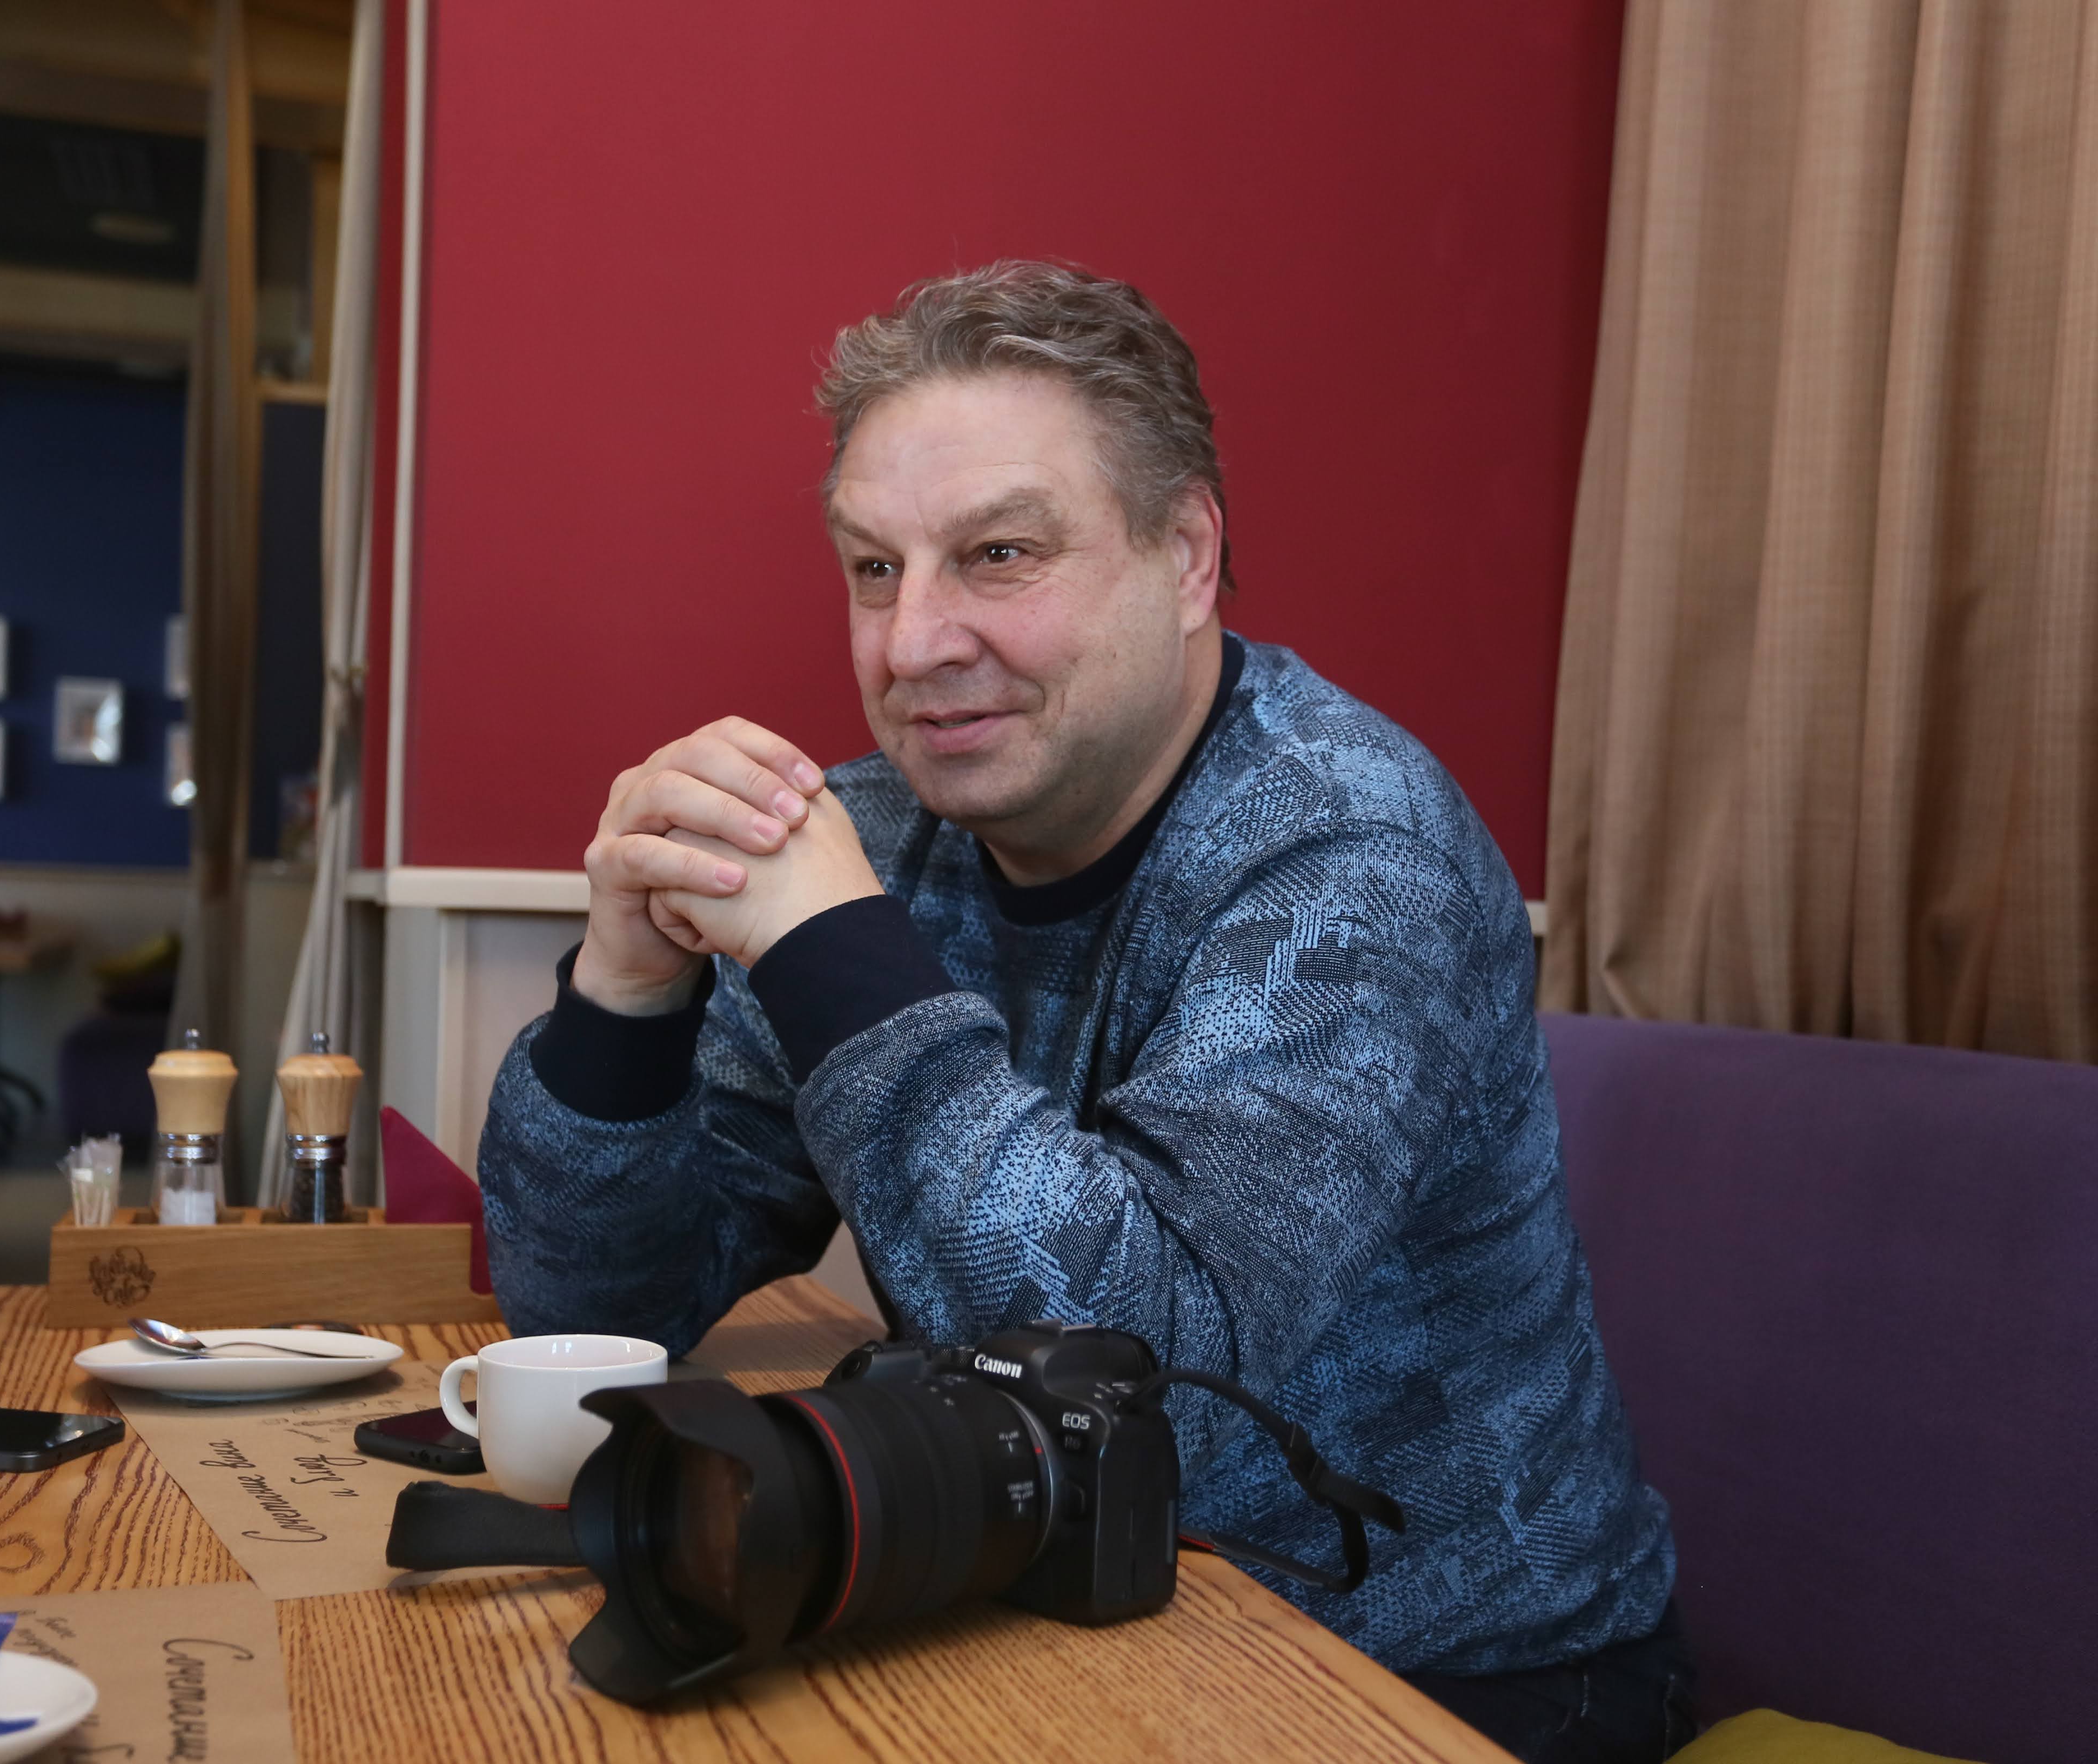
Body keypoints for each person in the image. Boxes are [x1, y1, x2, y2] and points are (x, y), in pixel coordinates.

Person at [479, 261, 1688, 1761]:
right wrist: (625, 996)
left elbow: (1153, 1385)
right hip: (1058, 1620)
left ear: (1185, 557)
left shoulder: (1353, 850)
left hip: (1448, 1673)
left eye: (998, 554)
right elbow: (591, 1316)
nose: (911, 644)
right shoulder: (880, 837)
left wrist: (837, 955)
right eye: (874, 567)